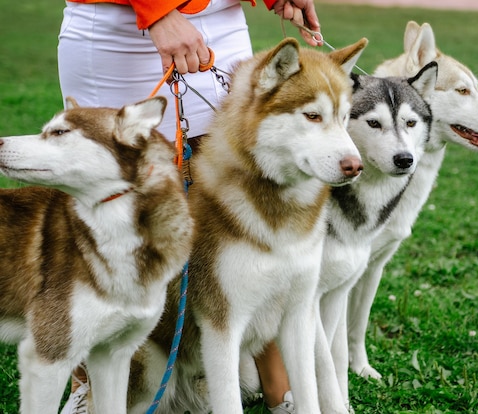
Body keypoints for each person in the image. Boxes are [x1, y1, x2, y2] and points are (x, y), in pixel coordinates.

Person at [57, 1, 320, 413]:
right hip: (120, 34)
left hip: (222, 22)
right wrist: (158, 11)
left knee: (243, 199)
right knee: (117, 210)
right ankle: (90, 384)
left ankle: (276, 385)